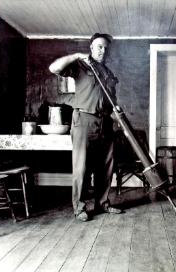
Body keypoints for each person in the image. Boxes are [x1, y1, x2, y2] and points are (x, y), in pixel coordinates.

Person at [49, 33, 122, 221]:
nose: (103, 51)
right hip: (83, 119)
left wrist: (115, 107)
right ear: (91, 48)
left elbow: (108, 99)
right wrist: (75, 56)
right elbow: (53, 68)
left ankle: (103, 204)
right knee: (81, 166)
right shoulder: (81, 66)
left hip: (105, 122)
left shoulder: (107, 73)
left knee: (106, 165)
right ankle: (79, 208)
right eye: (99, 46)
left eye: (106, 48)